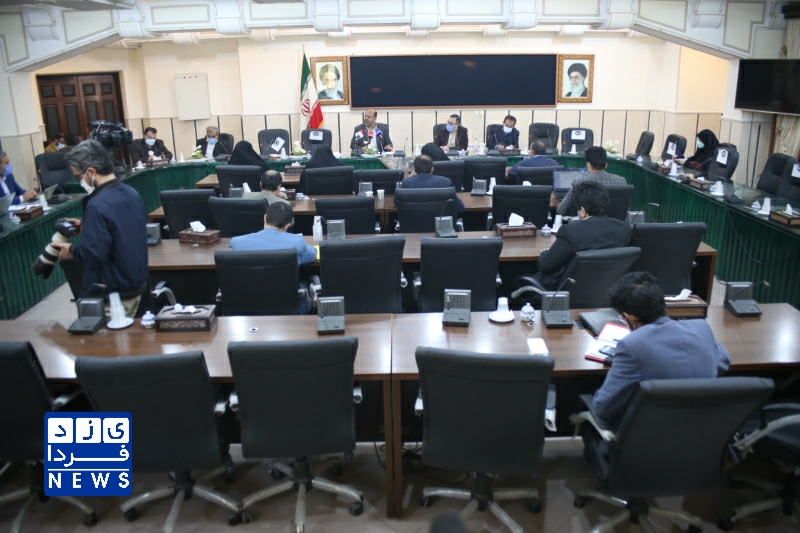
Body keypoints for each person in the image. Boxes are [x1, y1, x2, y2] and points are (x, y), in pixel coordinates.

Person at [592, 271, 731, 424]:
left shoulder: (632, 345)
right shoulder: (701, 328)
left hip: (650, 432)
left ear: (629, 316)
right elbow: (723, 361)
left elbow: (604, 407)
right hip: (703, 429)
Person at [50, 140, 148, 318]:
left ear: (91, 172)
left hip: (112, 296)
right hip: (135, 285)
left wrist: (71, 249)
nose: (79, 181)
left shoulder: (97, 204)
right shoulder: (131, 192)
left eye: (78, 176)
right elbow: (121, 229)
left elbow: (93, 254)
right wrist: (87, 225)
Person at [534, 181, 631, 291]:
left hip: (568, 293)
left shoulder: (570, 231)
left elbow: (547, 266)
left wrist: (545, 254)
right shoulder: (625, 229)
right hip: (609, 292)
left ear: (583, 211)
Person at [556, 146, 627, 216]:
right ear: (606, 165)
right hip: (614, 223)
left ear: (589, 165)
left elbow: (561, 210)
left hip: (587, 223)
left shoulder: (580, 182)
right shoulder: (621, 181)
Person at [399, 155, 464, 213]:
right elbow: (460, 207)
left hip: (415, 221)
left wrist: (409, 177)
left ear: (413, 168)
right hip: (439, 221)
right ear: (432, 169)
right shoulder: (445, 182)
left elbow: (397, 203)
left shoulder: (406, 182)